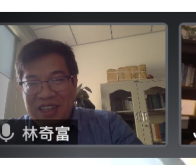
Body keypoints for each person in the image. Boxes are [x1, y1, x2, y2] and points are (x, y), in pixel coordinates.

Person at [9, 39, 141, 145]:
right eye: (32, 83)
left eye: (57, 80)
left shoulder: (109, 126)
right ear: (21, 89)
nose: (46, 94)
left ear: (74, 83)